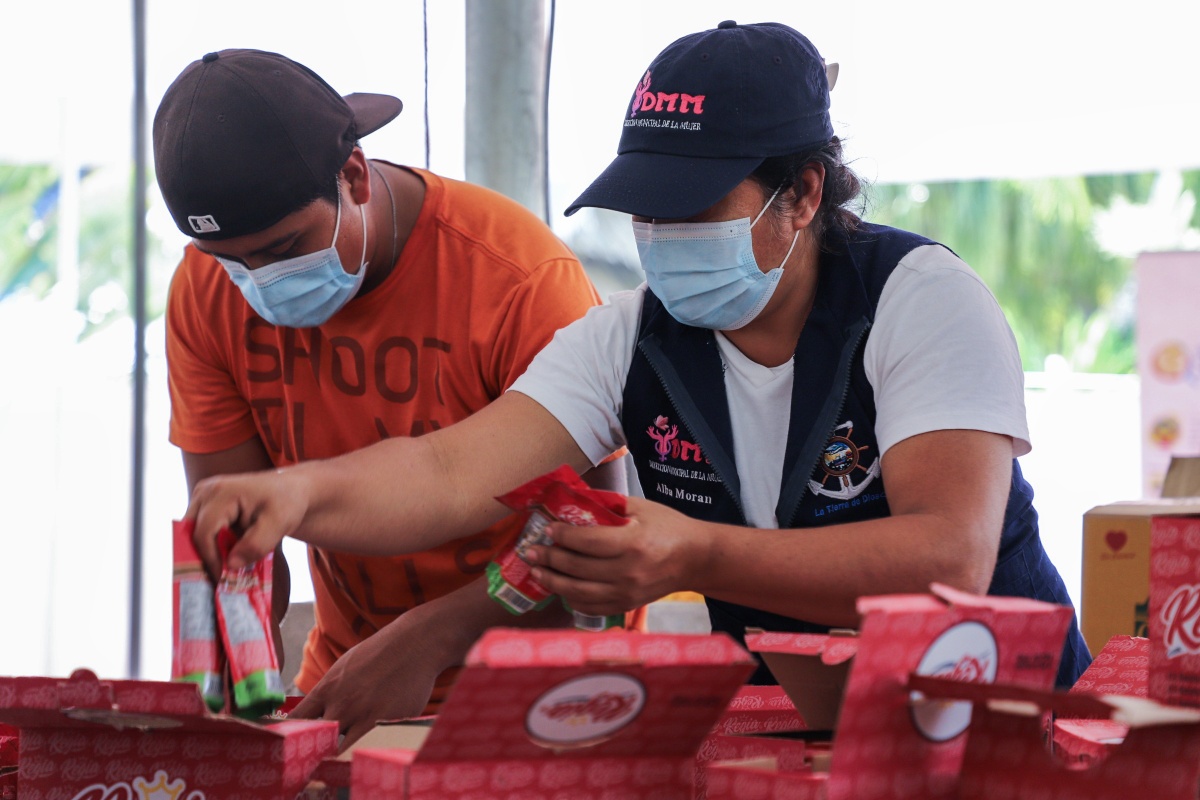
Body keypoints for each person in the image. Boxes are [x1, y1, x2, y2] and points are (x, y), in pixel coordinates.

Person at [184, 21, 1092, 730]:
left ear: (804, 194)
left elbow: (948, 557)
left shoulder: (917, 300)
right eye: (646, 211)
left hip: (1003, 723)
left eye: (694, 208)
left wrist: (694, 553)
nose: (662, 238)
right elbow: (449, 470)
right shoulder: (631, 340)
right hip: (800, 735)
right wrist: (296, 496)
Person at [154, 48, 623, 741]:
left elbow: (598, 531)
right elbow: (239, 541)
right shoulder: (203, 294)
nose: (260, 284)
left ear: (354, 176)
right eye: (231, 262)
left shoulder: (517, 280)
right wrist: (236, 687)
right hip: (347, 694)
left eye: (283, 249)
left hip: (547, 704)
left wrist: (432, 638)